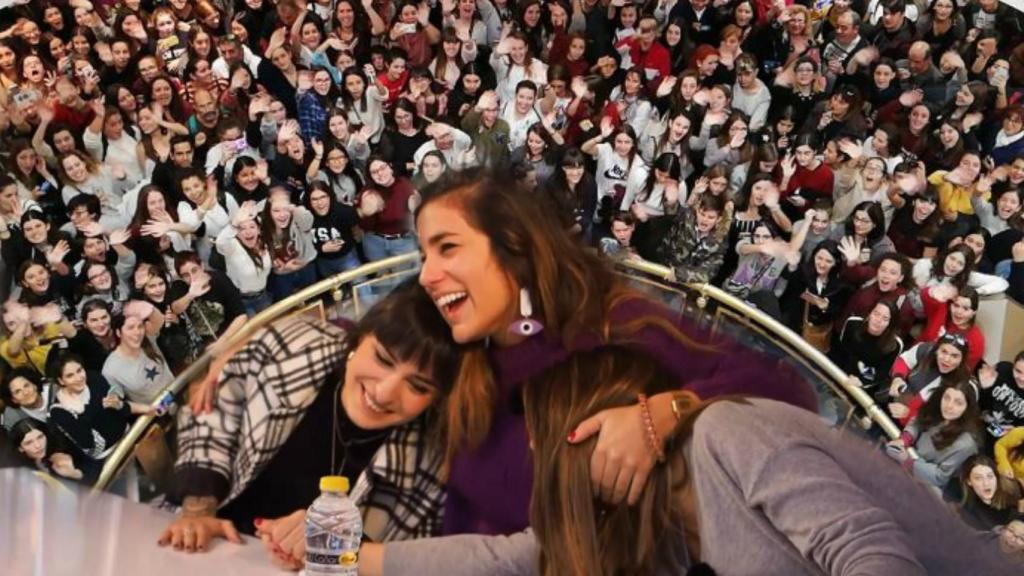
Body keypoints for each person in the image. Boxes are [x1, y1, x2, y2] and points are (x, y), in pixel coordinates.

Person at [360, 348, 1020, 575]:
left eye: (544, 432)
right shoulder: (657, 509)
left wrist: (668, 410)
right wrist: (352, 559)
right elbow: (517, 557)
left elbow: (876, 559)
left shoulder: (725, 435)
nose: (534, 451)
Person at [411, 169, 817, 537]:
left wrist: (670, 412)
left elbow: (786, 390)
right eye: (423, 255)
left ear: (513, 246)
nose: (427, 275)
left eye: (447, 248)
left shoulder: (611, 320)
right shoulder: (454, 353)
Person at [158, 280, 459, 564]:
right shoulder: (294, 345)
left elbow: (406, 560)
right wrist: (198, 509)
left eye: (418, 386)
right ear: (360, 338)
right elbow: (214, 409)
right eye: (383, 359)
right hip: (207, 552)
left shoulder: (432, 464)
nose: (383, 392)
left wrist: (340, 550)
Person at [887, 380, 983, 491]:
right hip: (902, 464)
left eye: (958, 403)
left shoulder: (967, 444)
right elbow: (917, 421)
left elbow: (940, 476)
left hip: (922, 487)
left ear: (968, 408)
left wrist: (908, 461)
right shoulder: (936, 409)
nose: (949, 406)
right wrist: (904, 439)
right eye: (947, 398)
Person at [48, 354, 143, 460]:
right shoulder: (59, 410)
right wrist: (77, 409)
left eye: (79, 370)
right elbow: (87, 442)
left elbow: (119, 408)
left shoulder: (94, 378)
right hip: (108, 457)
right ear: (61, 381)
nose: (79, 378)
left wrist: (118, 405)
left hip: (129, 435)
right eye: (70, 376)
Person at [958, 455, 1022, 532]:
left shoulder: (1012, 490)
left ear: (996, 477)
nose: (986, 483)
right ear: (969, 481)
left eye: (990, 476)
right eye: (978, 478)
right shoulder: (964, 504)